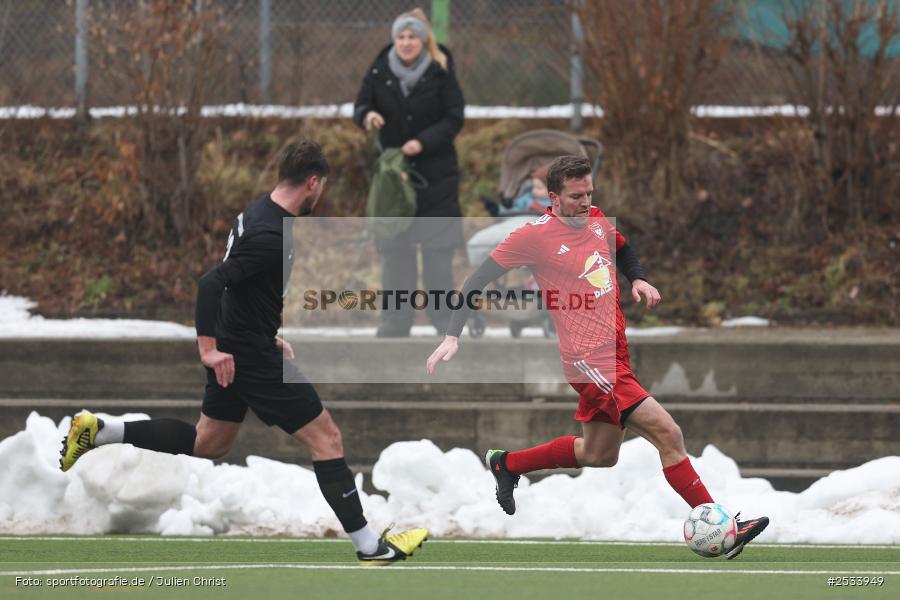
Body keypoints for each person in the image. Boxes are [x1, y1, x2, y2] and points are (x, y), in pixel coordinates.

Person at [60, 141, 428, 565]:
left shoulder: (261, 212)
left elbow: (243, 288)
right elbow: (211, 283)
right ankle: (369, 546)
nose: (320, 195)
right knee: (327, 438)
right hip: (244, 354)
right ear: (312, 182)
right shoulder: (271, 233)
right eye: (321, 187)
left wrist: (260, 331)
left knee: (209, 442)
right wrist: (209, 349)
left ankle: (101, 431)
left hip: (243, 343)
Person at [426, 155, 769, 559]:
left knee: (599, 455)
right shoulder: (532, 237)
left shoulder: (597, 218)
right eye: (575, 196)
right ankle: (721, 528)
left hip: (615, 354)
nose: (585, 202)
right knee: (669, 434)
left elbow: (623, 249)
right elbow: (476, 280)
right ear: (553, 198)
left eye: (589, 193)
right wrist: (453, 335)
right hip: (589, 361)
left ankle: (509, 464)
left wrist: (638, 277)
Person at [353, 8, 465, 337]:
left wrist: (423, 142)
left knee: (437, 254)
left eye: (412, 36)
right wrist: (368, 116)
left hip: (437, 176)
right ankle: (396, 321)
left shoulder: (440, 69)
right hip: (393, 178)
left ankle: (444, 321)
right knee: (395, 252)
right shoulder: (379, 69)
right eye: (401, 36)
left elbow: (454, 117)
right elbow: (359, 106)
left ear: (423, 39)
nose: (406, 42)